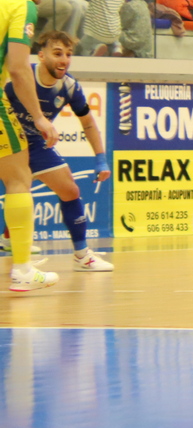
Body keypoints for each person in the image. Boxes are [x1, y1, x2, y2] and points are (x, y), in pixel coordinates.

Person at [3, 30, 113, 271]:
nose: (64, 59)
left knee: (70, 190)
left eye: (68, 54)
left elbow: (88, 123)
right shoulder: (22, 77)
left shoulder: (69, 86)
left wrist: (101, 159)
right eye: (57, 53)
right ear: (41, 55)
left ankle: (82, 256)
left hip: (35, 143)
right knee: (20, 188)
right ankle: (10, 240)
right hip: (8, 139)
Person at [0, 0, 60, 290]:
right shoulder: (22, 5)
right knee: (19, 177)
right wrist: (39, 117)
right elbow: (20, 68)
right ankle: (22, 270)